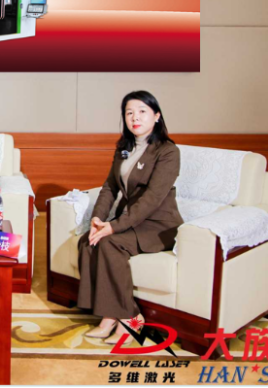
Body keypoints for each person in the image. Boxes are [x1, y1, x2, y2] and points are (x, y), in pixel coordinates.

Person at [77, 90, 183, 345]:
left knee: (110, 243)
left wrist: (114, 227)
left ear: (156, 116)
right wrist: (97, 219)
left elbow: (152, 199)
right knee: (87, 241)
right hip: (133, 220)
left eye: (142, 111)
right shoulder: (124, 148)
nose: (135, 117)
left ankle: (131, 318)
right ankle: (108, 316)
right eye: (129, 113)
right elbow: (109, 187)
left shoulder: (168, 151)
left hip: (159, 225)